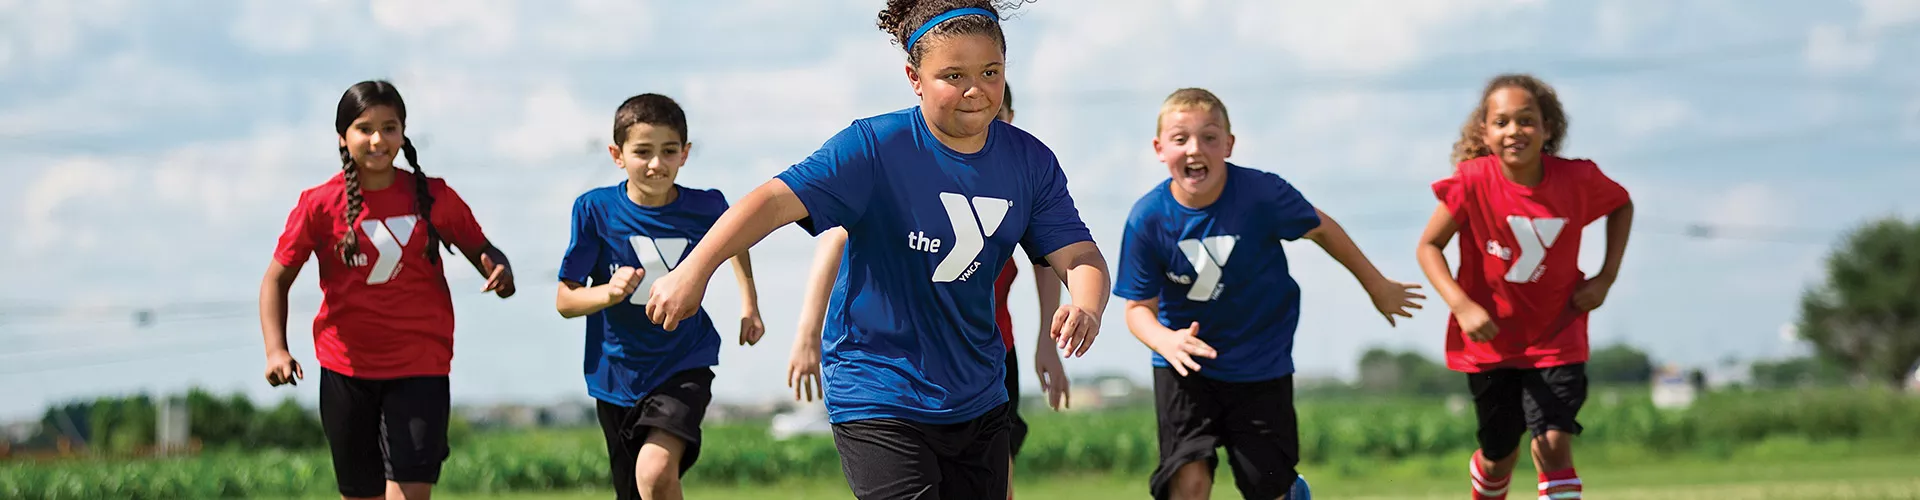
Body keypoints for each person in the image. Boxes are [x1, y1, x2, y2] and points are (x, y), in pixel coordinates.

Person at [643, 2, 1113, 497]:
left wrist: (1087, 305)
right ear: (914, 77)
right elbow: (772, 200)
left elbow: (1080, 254)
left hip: (977, 394)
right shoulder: (872, 147)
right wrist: (694, 269)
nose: (975, 90)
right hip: (877, 389)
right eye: (953, 75)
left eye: (990, 72)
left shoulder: (1030, 162)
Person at [1114, 88, 1425, 500]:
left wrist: (1376, 285)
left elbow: (1321, 228)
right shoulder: (1147, 218)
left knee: (1267, 488)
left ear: (1229, 144)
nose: (1195, 149)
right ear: (1159, 148)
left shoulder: (1261, 195)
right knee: (1188, 483)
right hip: (1184, 367)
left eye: (1209, 137)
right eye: (1180, 138)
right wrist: (1165, 339)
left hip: (1259, 363)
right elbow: (1137, 309)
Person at [785, 84, 1070, 500]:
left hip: (988, 360)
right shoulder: (912, 175)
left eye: (998, 113)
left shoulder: (1018, 184)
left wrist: (1048, 342)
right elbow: (836, 239)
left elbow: (1052, 260)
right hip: (899, 366)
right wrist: (807, 335)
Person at [259, 80, 515, 500]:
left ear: (403, 132)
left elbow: (485, 253)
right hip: (346, 371)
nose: (378, 139)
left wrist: (500, 272)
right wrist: (276, 350)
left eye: (389, 127)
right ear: (343, 137)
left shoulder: (435, 197)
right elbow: (276, 280)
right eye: (364, 128)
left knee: (410, 494)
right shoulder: (319, 205)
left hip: (421, 366)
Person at [1415, 73, 1634, 500]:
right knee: (1500, 455)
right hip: (1491, 344)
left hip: (1558, 335)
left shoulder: (1578, 180)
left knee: (1553, 444)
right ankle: (1488, 481)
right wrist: (1461, 306)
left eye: (1527, 120)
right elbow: (1428, 246)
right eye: (1502, 122)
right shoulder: (1471, 182)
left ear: (1548, 128)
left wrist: (1606, 278)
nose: (1514, 130)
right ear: (1485, 131)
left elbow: (1621, 204)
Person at [555, 93, 767, 500]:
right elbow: (565, 300)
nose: (656, 164)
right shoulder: (594, 210)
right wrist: (606, 293)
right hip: (615, 376)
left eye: (669, 151)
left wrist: (749, 304)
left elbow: (737, 241)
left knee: (653, 474)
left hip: (683, 363)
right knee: (636, 491)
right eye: (643, 152)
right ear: (617, 155)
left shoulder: (707, 206)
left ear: (685, 154)